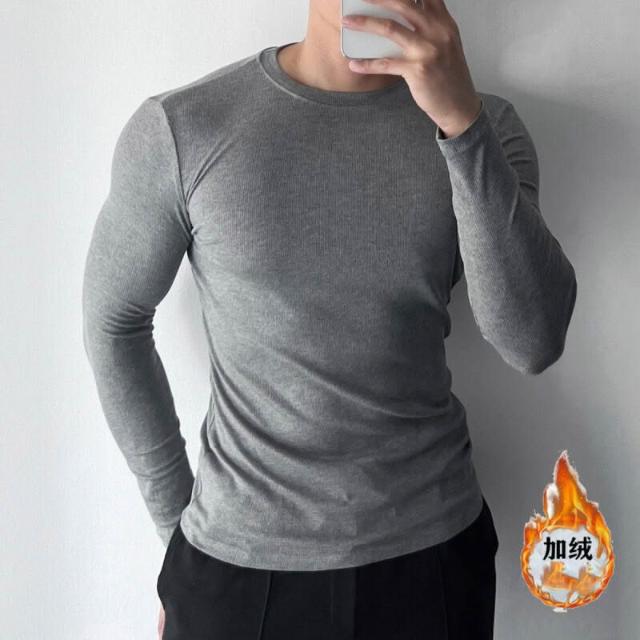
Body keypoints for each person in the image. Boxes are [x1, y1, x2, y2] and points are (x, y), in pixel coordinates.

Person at [81, 0, 577, 638]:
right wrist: (177, 530)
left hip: (431, 557)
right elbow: (114, 322)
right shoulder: (185, 127)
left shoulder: (488, 128)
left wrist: (462, 125)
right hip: (235, 567)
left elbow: (532, 342)